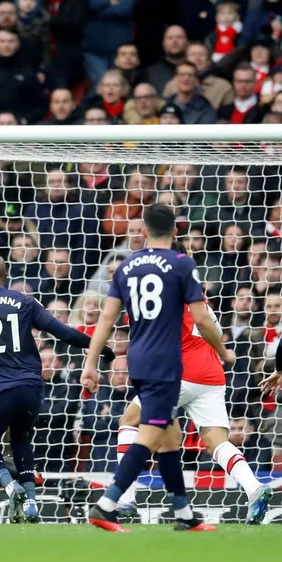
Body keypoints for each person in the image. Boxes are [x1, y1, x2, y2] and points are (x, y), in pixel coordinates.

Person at [81, 203, 235, 533]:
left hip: (138, 359)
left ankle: (183, 514)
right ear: (176, 231)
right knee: (150, 436)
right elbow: (202, 319)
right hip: (165, 363)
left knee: (170, 438)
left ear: (143, 231)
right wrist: (223, 350)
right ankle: (107, 505)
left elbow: (107, 320)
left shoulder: (126, 266)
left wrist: (91, 363)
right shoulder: (181, 263)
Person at [0, 254, 115, 522]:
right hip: (30, 388)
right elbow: (63, 332)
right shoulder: (24, 301)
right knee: (21, 439)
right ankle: (31, 503)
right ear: (5, 276)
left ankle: (11, 487)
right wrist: (99, 347)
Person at [114, 241, 272, 524]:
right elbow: (214, 330)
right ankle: (254, 487)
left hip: (179, 373)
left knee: (129, 421)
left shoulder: (160, 293)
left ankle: (125, 501)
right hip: (211, 374)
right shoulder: (197, 295)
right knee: (216, 442)